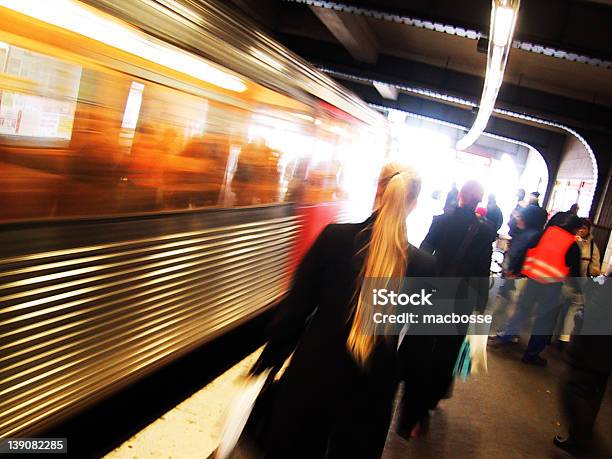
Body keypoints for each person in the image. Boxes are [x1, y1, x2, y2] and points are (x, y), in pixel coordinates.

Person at [249, 162, 436, 458]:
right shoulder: (427, 267)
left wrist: (269, 361)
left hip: (311, 380)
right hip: (371, 396)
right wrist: (414, 410)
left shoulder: (333, 238)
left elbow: (295, 312)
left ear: (378, 190)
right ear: (413, 204)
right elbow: (422, 350)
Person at [413, 181, 496, 420]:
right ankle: (433, 395)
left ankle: (416, 387)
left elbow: (423, 254)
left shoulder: (441, 221)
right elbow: (483, 270)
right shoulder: (486, 232)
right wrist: (480, 305)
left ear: (460, 195)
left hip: (434, 292)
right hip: (463, 298)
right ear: (478, 201)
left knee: (424, 341)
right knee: (448, 348)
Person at [494, 213, 582, 365]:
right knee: (544, 322)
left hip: (533, 280)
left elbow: (525, 250)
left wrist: (515, 269)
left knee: (523, 311)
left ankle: (506, 337)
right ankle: (531, 355)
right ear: (573, 227)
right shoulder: (572, 245)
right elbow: (575, 274)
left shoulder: (544, 234)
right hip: (552, 286)